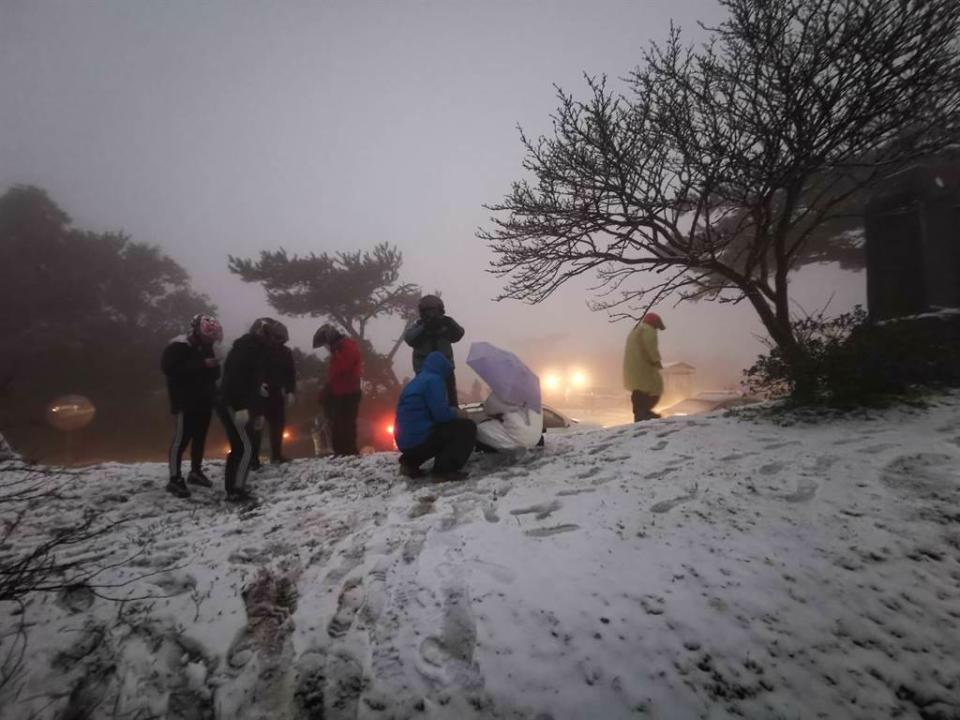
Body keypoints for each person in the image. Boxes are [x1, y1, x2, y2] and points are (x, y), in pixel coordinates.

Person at [161, 314, 223, 498]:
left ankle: (195, 472)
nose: (209, 339)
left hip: (204, 399)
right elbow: (170, 369)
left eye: (211, 336)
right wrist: (201, 364)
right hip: (184, 400)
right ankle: (174, 478)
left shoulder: (208, 346)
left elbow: (215, 375)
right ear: (196, 330)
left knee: (200, 437)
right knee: (181, 439)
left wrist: (213, 366)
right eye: (206, 335)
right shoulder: (178, 346)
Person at [394, 351, 477, 480]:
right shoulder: (434, 380)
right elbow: (441, 416)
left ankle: (409, 463)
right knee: (466, 427)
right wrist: (457, 412)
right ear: (443, 367)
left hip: (405, 443)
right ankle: (444, 471)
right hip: (420, 441)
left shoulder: (417, 381)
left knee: (434, 431)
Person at [218, 318, 272, 502]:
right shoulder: (245, 348)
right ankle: (235, 490)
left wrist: (258, 413)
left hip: (244, 404)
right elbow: (235, 380)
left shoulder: (258, 351)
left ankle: (236, 487)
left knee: (243, 447)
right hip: (233, 403)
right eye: (266, 333)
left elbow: (256, 386)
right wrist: (240, 407)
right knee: (244, 447)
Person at [403, 294, 465, 405]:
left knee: (451, 402)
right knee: (429, 404)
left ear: (440, 310)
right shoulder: (419, 327)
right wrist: (425, 327)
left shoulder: (446, 324)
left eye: (433, 311)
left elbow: (459, 334)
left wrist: (447, 322)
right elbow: (409, 338)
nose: (430, 315)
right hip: (424, 373)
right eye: (427, 311)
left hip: (445, 372)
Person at [250, 319, 296, 465]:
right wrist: (258, 384)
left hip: (276, 392)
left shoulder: (286, 352)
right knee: (258, 426)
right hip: (260, 394)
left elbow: (290, 373)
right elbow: (253, 369)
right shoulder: (260, 350)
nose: (279, 341)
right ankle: (253, 458)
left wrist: (290, 391)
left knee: (278, 425)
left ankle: (276, 455)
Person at [313, 323, 363, 456]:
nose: (326, 347)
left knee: (346, 423)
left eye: (325, 344)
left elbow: (342, 368)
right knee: (337, 423)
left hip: (349, 391)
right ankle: (340, 452)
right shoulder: (340, 348)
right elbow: (334, 374)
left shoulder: (346, 346)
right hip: (339, 391)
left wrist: (336, 353)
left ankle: (350, 451)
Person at [623, 311, 666, 422]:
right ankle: (644, 412)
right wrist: (656, 361)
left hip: (633, 367)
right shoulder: (649, 331)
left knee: (639, 390)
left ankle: (641, 412)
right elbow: (650, 347)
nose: (657, 329)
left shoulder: (636, 330)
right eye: (657, 326)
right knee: (655, 387)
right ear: (655, 323)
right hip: (644, 366)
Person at [474, 391, 543, 452]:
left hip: (516, 439)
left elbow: (488, 410)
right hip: (534, 439)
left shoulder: (504, 391)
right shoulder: (535, 399)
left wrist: (498, 415)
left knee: (479, 429)